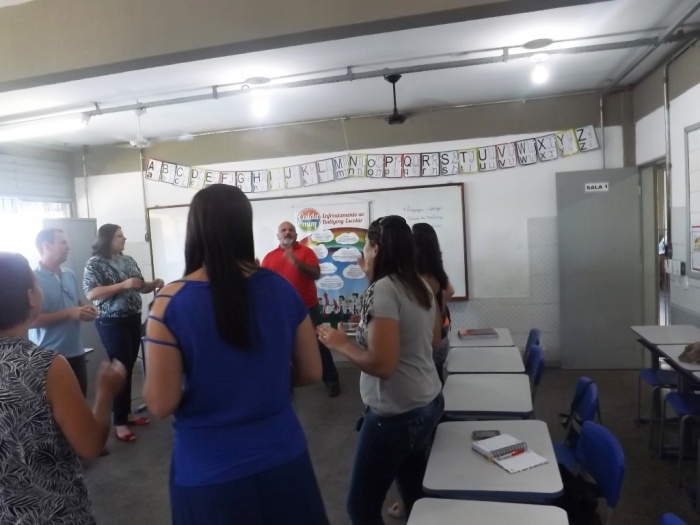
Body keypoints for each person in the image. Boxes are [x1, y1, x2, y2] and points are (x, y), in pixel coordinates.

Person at [143, 184, 328, 525]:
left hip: (209, 472)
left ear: (195, 229)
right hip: (284, 458)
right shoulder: (281, 288)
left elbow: (159, 403)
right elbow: (312, 372)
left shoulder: (168, 303)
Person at [317, 215, 444, 524]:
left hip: (395, 417)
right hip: (427, 404)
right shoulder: (420, 284)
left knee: (360, 507)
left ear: (376, 249)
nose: (364, 255)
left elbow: (383, 366)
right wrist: (367, 326)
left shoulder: (384, 289)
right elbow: (432, 341)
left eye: (366, 247)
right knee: (413, 491)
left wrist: (340, 344)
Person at [0, 252, 126, 524]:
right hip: (53, 514)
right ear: (31, 297)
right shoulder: (46, 367)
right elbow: (90, 445)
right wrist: (105, 392)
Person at [83, 224, 164, 443]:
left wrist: (153, 284)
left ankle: (127, 414)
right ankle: (119, 423)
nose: (124, 239)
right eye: (119, 236)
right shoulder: (95, 263)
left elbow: (139, 286)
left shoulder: (127, 260)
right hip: (111, 321)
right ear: (108, 239)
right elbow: (92, 293)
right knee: (120, 368)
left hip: (132, 318)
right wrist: (122, 285)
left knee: (127, 367)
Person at [262, 221, 340, 397]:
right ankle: (283, 384)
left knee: (320, 343)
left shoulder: (306, 252)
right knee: (281, 346)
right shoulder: (269, 257)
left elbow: (315, 274)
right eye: (283, 230)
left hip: (308, 308)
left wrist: (295, 262)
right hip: (280, 310)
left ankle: (331, 380)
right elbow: (264, 284)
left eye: (291, 230)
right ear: (278, 235)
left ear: (296, 235)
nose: (287, 232)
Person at [29, 228, 98, 396]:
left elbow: (77, 304)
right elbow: (30, 321)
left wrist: (86, 311)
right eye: (63, 243)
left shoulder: (70, 275)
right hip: (48, 358)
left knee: (80, 401)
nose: (68, 247)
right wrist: (69, 313)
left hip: (77, 353)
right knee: (54, 408)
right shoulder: (32, 279)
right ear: (46, 246)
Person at [412, 222, 455, 382]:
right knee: (436, 379)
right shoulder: (434, 267)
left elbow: (450, 290)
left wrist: (434, 306)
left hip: (433, 335)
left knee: (432, 381)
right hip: (439, 331)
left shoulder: (423, 275)